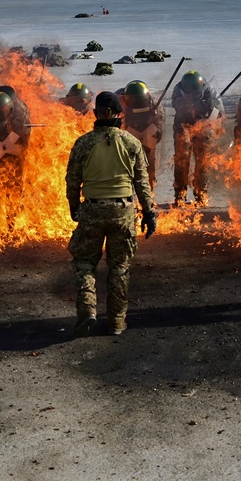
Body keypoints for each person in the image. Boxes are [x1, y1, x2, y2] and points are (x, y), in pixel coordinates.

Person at [65, 91, 156, 337]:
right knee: (119, 267)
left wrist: (75, 208)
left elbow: (72, 182)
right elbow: (142, 183)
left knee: (84, 262)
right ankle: (116, 322)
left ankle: (87, 310)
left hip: (92, 209)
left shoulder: (83, 143)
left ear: (95, 114)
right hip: (123, 211)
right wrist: (148, 213)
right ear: (119, 115)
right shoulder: (131, 143)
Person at [170, 70, 224, 207]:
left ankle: (201, 192)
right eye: (188, 94)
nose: (191, 97)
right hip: (183, 123)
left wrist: (206, 123)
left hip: (204, 124)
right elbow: (179, 109)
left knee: (203, 160)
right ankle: (180, 192)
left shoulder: (211, 93)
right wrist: (191, 106)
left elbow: (219, 116)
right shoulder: (178, 90)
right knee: (181, 157)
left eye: (194, 94)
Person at [120, 80, 164, 192]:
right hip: (128, 132)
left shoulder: (155, 104)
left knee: (149, 165)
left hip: (147, 132)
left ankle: (150, 193)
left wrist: (153, 136)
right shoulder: (121, 103)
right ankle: (129, 194)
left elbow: (160, 127)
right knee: (127, 167)